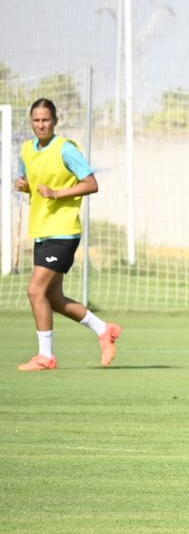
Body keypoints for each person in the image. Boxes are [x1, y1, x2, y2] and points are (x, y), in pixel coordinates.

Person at [13, 98, 121, 371]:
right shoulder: (26, 150)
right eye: (36, 120)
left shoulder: (65, 149)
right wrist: (25, 187)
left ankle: (46, 357)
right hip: (41, 230)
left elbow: (91, 184)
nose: (41, 125)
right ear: (31, 121)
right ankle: (103, 330)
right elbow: (36, 185)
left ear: (55, 121)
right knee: (54, 299)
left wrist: (58, 193)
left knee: (35, 290)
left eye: (45, 120)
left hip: (63, 232)